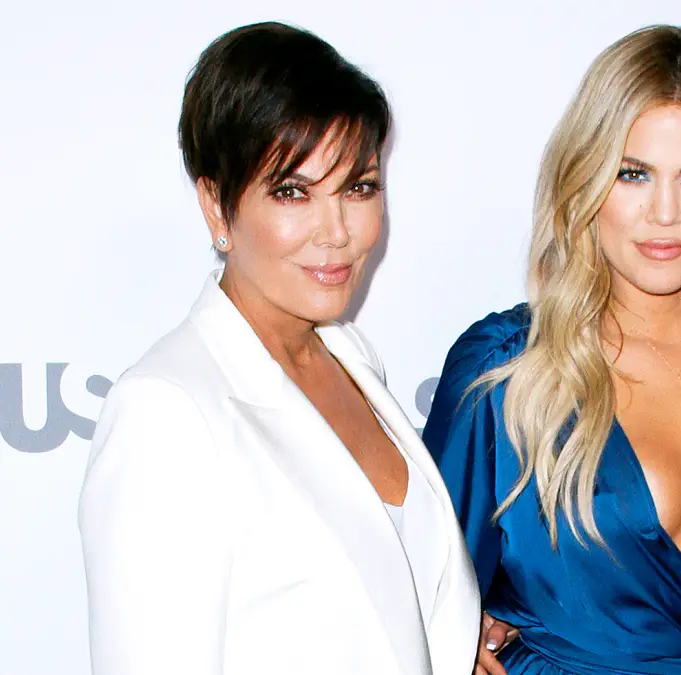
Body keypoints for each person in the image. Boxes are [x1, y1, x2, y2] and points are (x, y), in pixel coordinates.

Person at [423, 24, 681, 675]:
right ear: (584, 181)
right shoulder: (505, 371)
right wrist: (449, 633)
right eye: (633, 174)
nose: (663, 212)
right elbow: (419, 600)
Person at [77, 22, 478, 675]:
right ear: (216, 205)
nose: (338, 231)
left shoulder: (351, 358)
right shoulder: (167, 410)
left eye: (359, 186)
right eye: (292, 192)